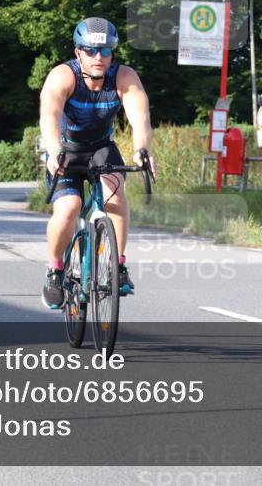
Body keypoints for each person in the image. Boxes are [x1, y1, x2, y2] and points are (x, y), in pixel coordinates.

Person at [39, 17, 157, 309]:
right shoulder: (63, 76)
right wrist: (54, 151)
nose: (98, 57)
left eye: (105, 51)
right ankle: (55, 270)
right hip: (66, 150)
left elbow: (140, 118)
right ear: (78, 51)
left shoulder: (124, 77)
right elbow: (49, 117)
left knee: (115, 193)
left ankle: (117, 265)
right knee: (69, 208)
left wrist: (142, 149)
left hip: (102, 149)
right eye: (90, 51)